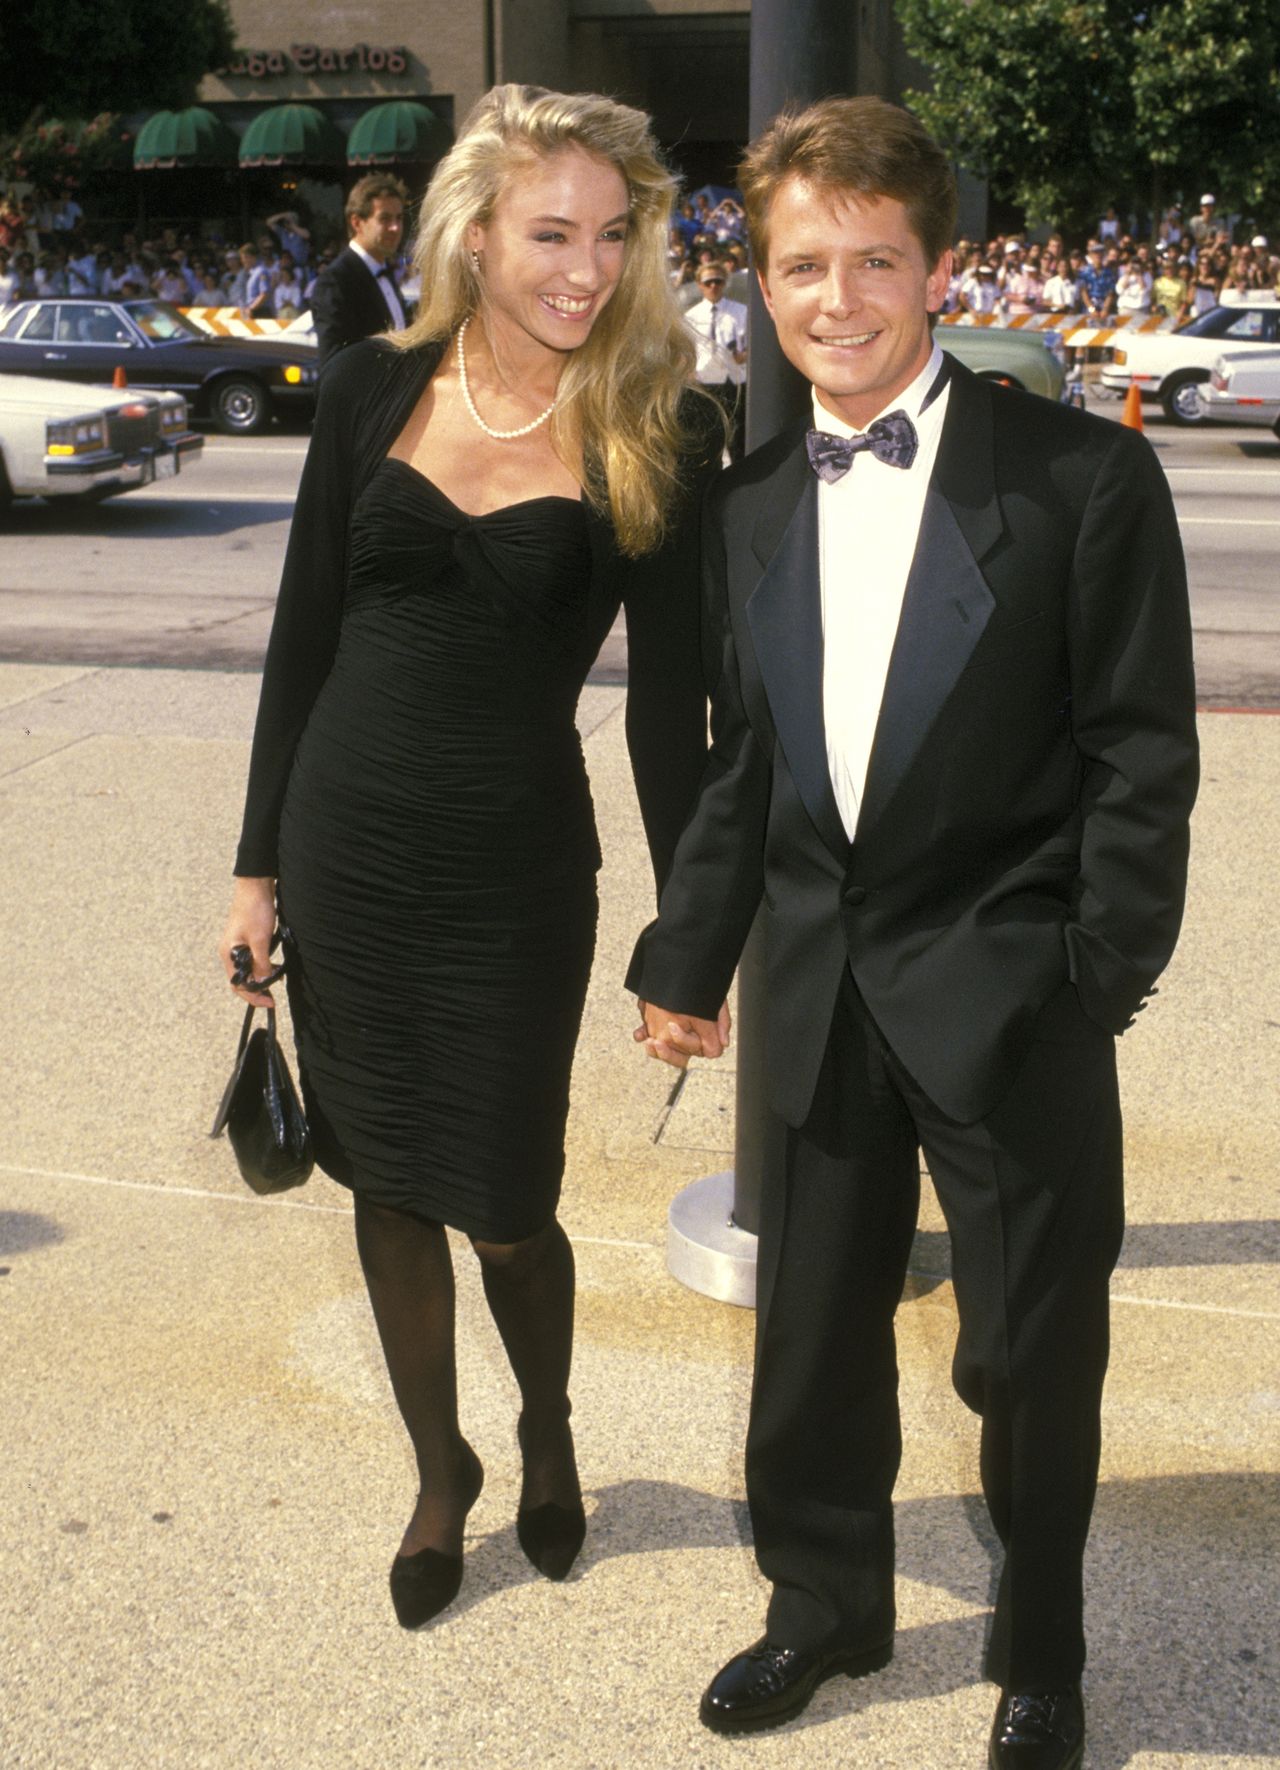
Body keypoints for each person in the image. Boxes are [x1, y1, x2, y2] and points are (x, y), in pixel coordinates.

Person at [628, 94, 1198, 1766]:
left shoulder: (1081, 483)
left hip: (1010, 991)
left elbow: (1141, 758)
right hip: (816, 993)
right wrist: (686, 955)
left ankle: (1041, 1647)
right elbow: (750, 771)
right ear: (766, 277)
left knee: (1030, 1355)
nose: (838, 299)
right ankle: (823, 1606)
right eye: (805, 263)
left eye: (876, 261)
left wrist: (1092, 975)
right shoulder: (745, 511)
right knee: (806, 1349)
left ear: (942, 269)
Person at [219, 83, 721, 1634]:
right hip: (346, 850)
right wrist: (256, 869)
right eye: (550, 230)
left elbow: (672, 710)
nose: (583, 265)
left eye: (611, 234)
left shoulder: (663, 424)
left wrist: (687, 937)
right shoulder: (371, 385)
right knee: (382, 1184)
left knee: (507, 1195)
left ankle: (549, 1426)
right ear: (477, 231)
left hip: (510, 876)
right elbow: (305, 635)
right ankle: (442, 1472)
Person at [309, 173, 411, 368]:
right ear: (356, 222)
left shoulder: (384, 273)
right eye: (385, 218)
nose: (395, 227)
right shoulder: (335, 281)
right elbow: (334, 367)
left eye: (399, 218)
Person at [685, 260, 748, 459]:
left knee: (737, 438)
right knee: (708, 439)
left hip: (734, 380)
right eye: (708, 282)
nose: (713, 286)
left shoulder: (740, 311)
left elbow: (748, 344)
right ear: (699, 285)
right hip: (705, 382)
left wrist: (744, 355)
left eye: (718, 281)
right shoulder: (691, 317)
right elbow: (686, 351)